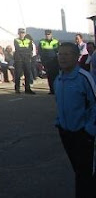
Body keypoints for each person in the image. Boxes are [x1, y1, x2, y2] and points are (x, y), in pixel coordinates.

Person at [54, 42, 96, 197]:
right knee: (78, 170)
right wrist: (59, 122)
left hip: (83, 134)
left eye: (67, 54)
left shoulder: (84, 78)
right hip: (66, 133)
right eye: (60, 54)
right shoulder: (58, 79)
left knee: (85, 174)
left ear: (76, 57)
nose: (62, 58)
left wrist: (89, 130)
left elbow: (94, 105)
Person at [14, 29, 35, 94]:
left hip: (27, 59)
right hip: (19, 59)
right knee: (18, 74)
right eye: (20, 33)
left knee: (27, 74)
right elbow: (18, 48)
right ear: (18, 34)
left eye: (23, 33)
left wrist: (24, 50)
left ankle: (27, 89)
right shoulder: (16, 40)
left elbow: (30, 49)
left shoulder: (28, 40)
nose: (22, 34)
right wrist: (25, 50)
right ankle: (17, 89)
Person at [39, 30, 59, 94]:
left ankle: (57, 89)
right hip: (47, 62)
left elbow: (58, 51)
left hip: (54, 61)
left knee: (56, 76)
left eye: (49, 34)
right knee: (49, 77)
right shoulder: (42, 42)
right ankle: (52, 90)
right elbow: (40, 52)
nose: (47, 36)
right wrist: (43, 61)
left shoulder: (56, 41)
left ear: (51, 34)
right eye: (46, 34)